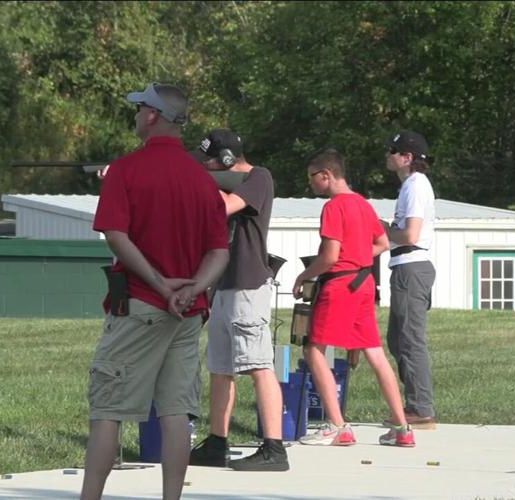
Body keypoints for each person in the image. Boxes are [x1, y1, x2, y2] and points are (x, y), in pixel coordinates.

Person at [81, 83, 229, 500]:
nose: (135, 114)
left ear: (151, 115)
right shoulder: (203, 181)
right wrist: (193, 287)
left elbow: (116, 235)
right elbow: (219, 250)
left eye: (139, 108)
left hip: (140, 305)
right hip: (188, 312)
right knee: (176, 412)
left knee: (108, 410)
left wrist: (160, 283)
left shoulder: (126, 169)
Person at [292, 148, 415, 447]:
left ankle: (337, 426)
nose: (311, 184)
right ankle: (402, 428)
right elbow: (383, 243)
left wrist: (304, 276)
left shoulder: (334, 207)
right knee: (374, 351)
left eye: (312, 178)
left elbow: (330, 256)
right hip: (364, 283)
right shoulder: (363, 204)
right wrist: (358, 255)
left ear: (326, 175)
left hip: (339, 285)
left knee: (314, 350)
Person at [187, 129, 289, 471]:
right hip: (222, 284)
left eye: (210, 161)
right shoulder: (225, 179)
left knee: (259, 365)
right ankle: (217, 442)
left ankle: (274, 448)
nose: (206, 166)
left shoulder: (259, 177)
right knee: (220, 368)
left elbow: (226, 204)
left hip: (247, 283)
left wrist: (196, 181)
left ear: (227, 160)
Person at [384, 131, 437, 429]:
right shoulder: (410, 186)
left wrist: (380, 230)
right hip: (406, 266)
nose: (388, 155)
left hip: (412, 267)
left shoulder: (415, 186)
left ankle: (421, 409)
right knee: (398, 338)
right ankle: (416, 403)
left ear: (407, 157)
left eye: (393, 150)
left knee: (410, 339)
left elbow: (410, 235)